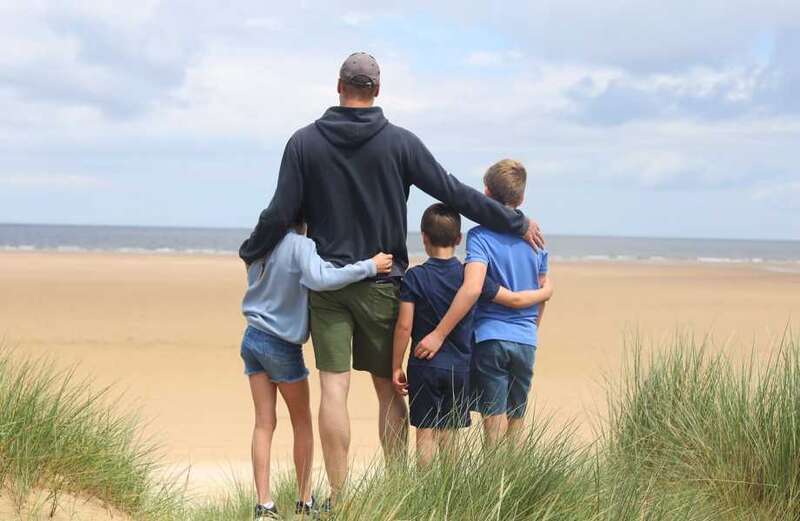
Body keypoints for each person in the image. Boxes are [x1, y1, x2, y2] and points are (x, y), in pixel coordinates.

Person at [239, 52, 544, 505]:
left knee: (334, 389)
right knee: (387, 388)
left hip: (329, 287)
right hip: (385, 284)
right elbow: (453, 191)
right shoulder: (399, 142)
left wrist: (252, 250)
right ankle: (397, 493)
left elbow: (281, 213)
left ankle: (340, 499)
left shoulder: (304, 142)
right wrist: (512, 221)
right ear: (377, 91)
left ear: (338, 86)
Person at [240, 213, 393, 519]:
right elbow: (321, 278)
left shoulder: (259, 245)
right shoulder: (299, 245)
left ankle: (264, 505)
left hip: (252, 338)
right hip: (281, 344)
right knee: (302, 423)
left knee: (263, 423)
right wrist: (369, 266)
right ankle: (304, 499)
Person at [391, 204, 552, 467]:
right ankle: (450, 491)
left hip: (423, 365)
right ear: (458, 239)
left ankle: (423, 492)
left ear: (423, 237)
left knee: (425, 432)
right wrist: (544, 293)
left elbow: (404, 326)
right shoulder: (470, 277)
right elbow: (510, 298)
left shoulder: (415, 277)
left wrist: (396, 364)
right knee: (451, 433)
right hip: (460, 366)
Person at [414, 160, 550, 446]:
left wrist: (439, 334)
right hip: (526, 339)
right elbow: (542, 293)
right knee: (517, 417)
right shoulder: (537, 241)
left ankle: (492, 483)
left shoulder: (480, 237)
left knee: (493, 419)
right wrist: (531, 330)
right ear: (521, 198)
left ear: (484, 195)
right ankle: (513, 480)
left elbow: (473, 287)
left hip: (490, 337)